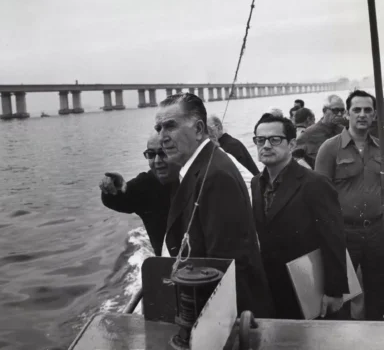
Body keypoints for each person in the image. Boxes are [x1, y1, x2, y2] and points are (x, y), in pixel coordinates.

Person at [154, 93, 274, 318]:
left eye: (170, 126)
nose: (162, 137)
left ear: (199, 129)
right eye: (158, 128)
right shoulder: (200, 166)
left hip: (227, 314)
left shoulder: (215, 175)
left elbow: (225, 263)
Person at [251, 113, 349, 319]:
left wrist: (335, 291)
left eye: (275, 139)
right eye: (260, 140)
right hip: (274, 286)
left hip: (309, 284)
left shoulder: (314, 183)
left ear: (292, 143)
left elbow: (334, 240)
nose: (266, 145)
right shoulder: (256, 183)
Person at [315, 90, 384, 320]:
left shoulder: (380, 147)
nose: (362, 115)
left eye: (367, 110)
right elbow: (319, 200)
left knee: (378, 294)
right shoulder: (329, 149)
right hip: (343, 234)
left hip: (377, 232)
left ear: (375, 115)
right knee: (340, 297)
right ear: (347, 114)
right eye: (356, 110)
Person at [99, 132, 179, 256]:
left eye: (163, 153)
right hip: (166, 265)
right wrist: (114, 186)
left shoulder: (194, 178)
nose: (157, 161)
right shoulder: (145, 184)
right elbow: (116, 200)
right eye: (151, 154)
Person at [293, 94, 346, 169]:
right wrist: (308, 170)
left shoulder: (344, 132)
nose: (340, 114)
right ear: (324, 110)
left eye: (342, 111)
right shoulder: (308, 134)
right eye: (335, 110)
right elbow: (294, 157)